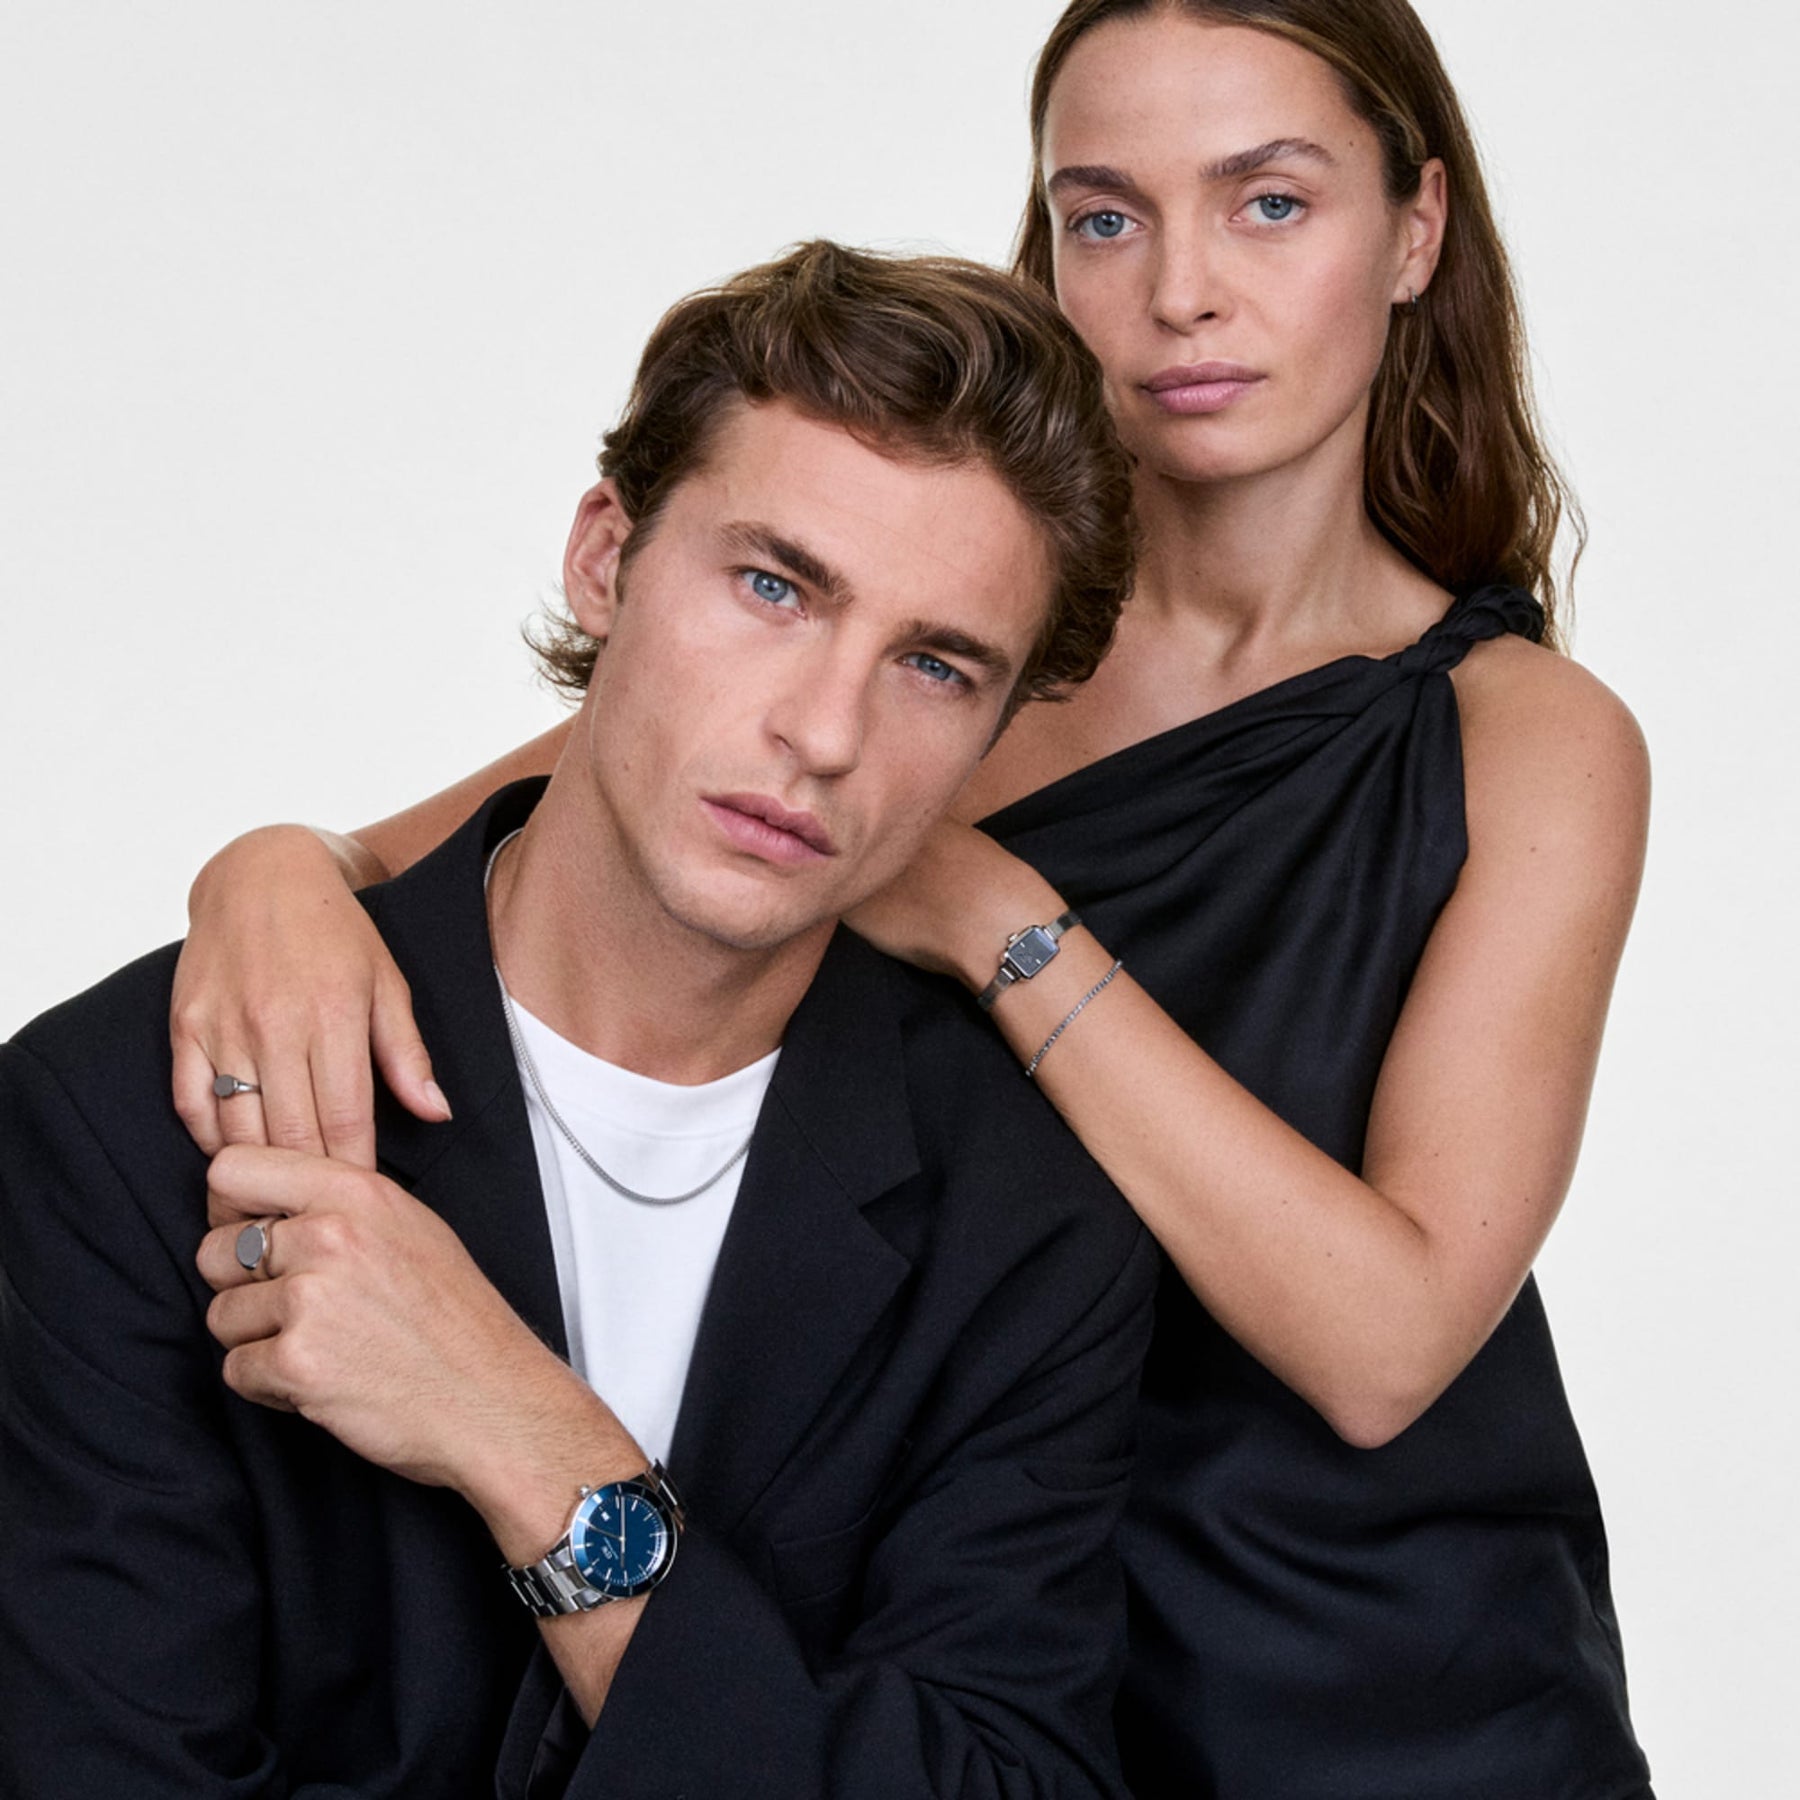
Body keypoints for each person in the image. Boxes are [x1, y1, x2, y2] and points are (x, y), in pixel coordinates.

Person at [160, 3, 1656, 1796]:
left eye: (1269, 203)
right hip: (936, 1661)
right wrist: (263, 870)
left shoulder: (1523, 736)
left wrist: (997, 928)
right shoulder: (929, 641)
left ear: (1415, 230)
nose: (1181, 292)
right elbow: (460, 842)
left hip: (1391, 1696)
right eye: (1106, 217)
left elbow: (1387, 1347)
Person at [0, 241, 1160, 1799]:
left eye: (936, 666)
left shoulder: (1027, 1228)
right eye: (774, 587)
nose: (823, 732)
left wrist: (533, 1442)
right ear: (606, 560)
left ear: (997, 731)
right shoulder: (125, 1118)